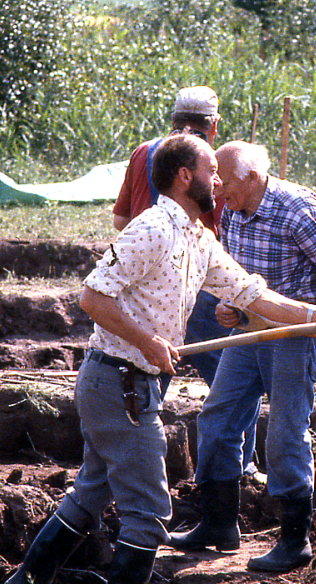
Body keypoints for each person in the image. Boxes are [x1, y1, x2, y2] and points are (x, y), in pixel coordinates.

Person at [0, 134, 316, 584]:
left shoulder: (197, 236)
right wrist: (147, 341)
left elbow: (256, 297)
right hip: (116, 381)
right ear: (186, 177)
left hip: (132, 384)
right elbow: (92, 298)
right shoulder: (151, 230)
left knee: (92, 490)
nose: (220, 183)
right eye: (213, 171)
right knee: (149, 505)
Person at [167, 141, 316, 574]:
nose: (217, 191)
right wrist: (229, 309)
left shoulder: (297, 210)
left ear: (252, 177)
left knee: (285, 433)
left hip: (297, 333)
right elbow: (237, 275)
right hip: (249, 329)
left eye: (225, 182)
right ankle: (218, 524)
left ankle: (295, 541)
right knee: (217, 415)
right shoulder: (231, 208)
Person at [113, 85, 261, 477]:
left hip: (147, 292)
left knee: (150, 375)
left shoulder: (144, 153)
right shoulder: (212, 163)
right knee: (232, 385)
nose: (215, 181)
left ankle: (135, 458)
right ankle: (236, 469)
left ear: (174, 119)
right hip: (202, 287)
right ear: (213, 125)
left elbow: (121, 221)